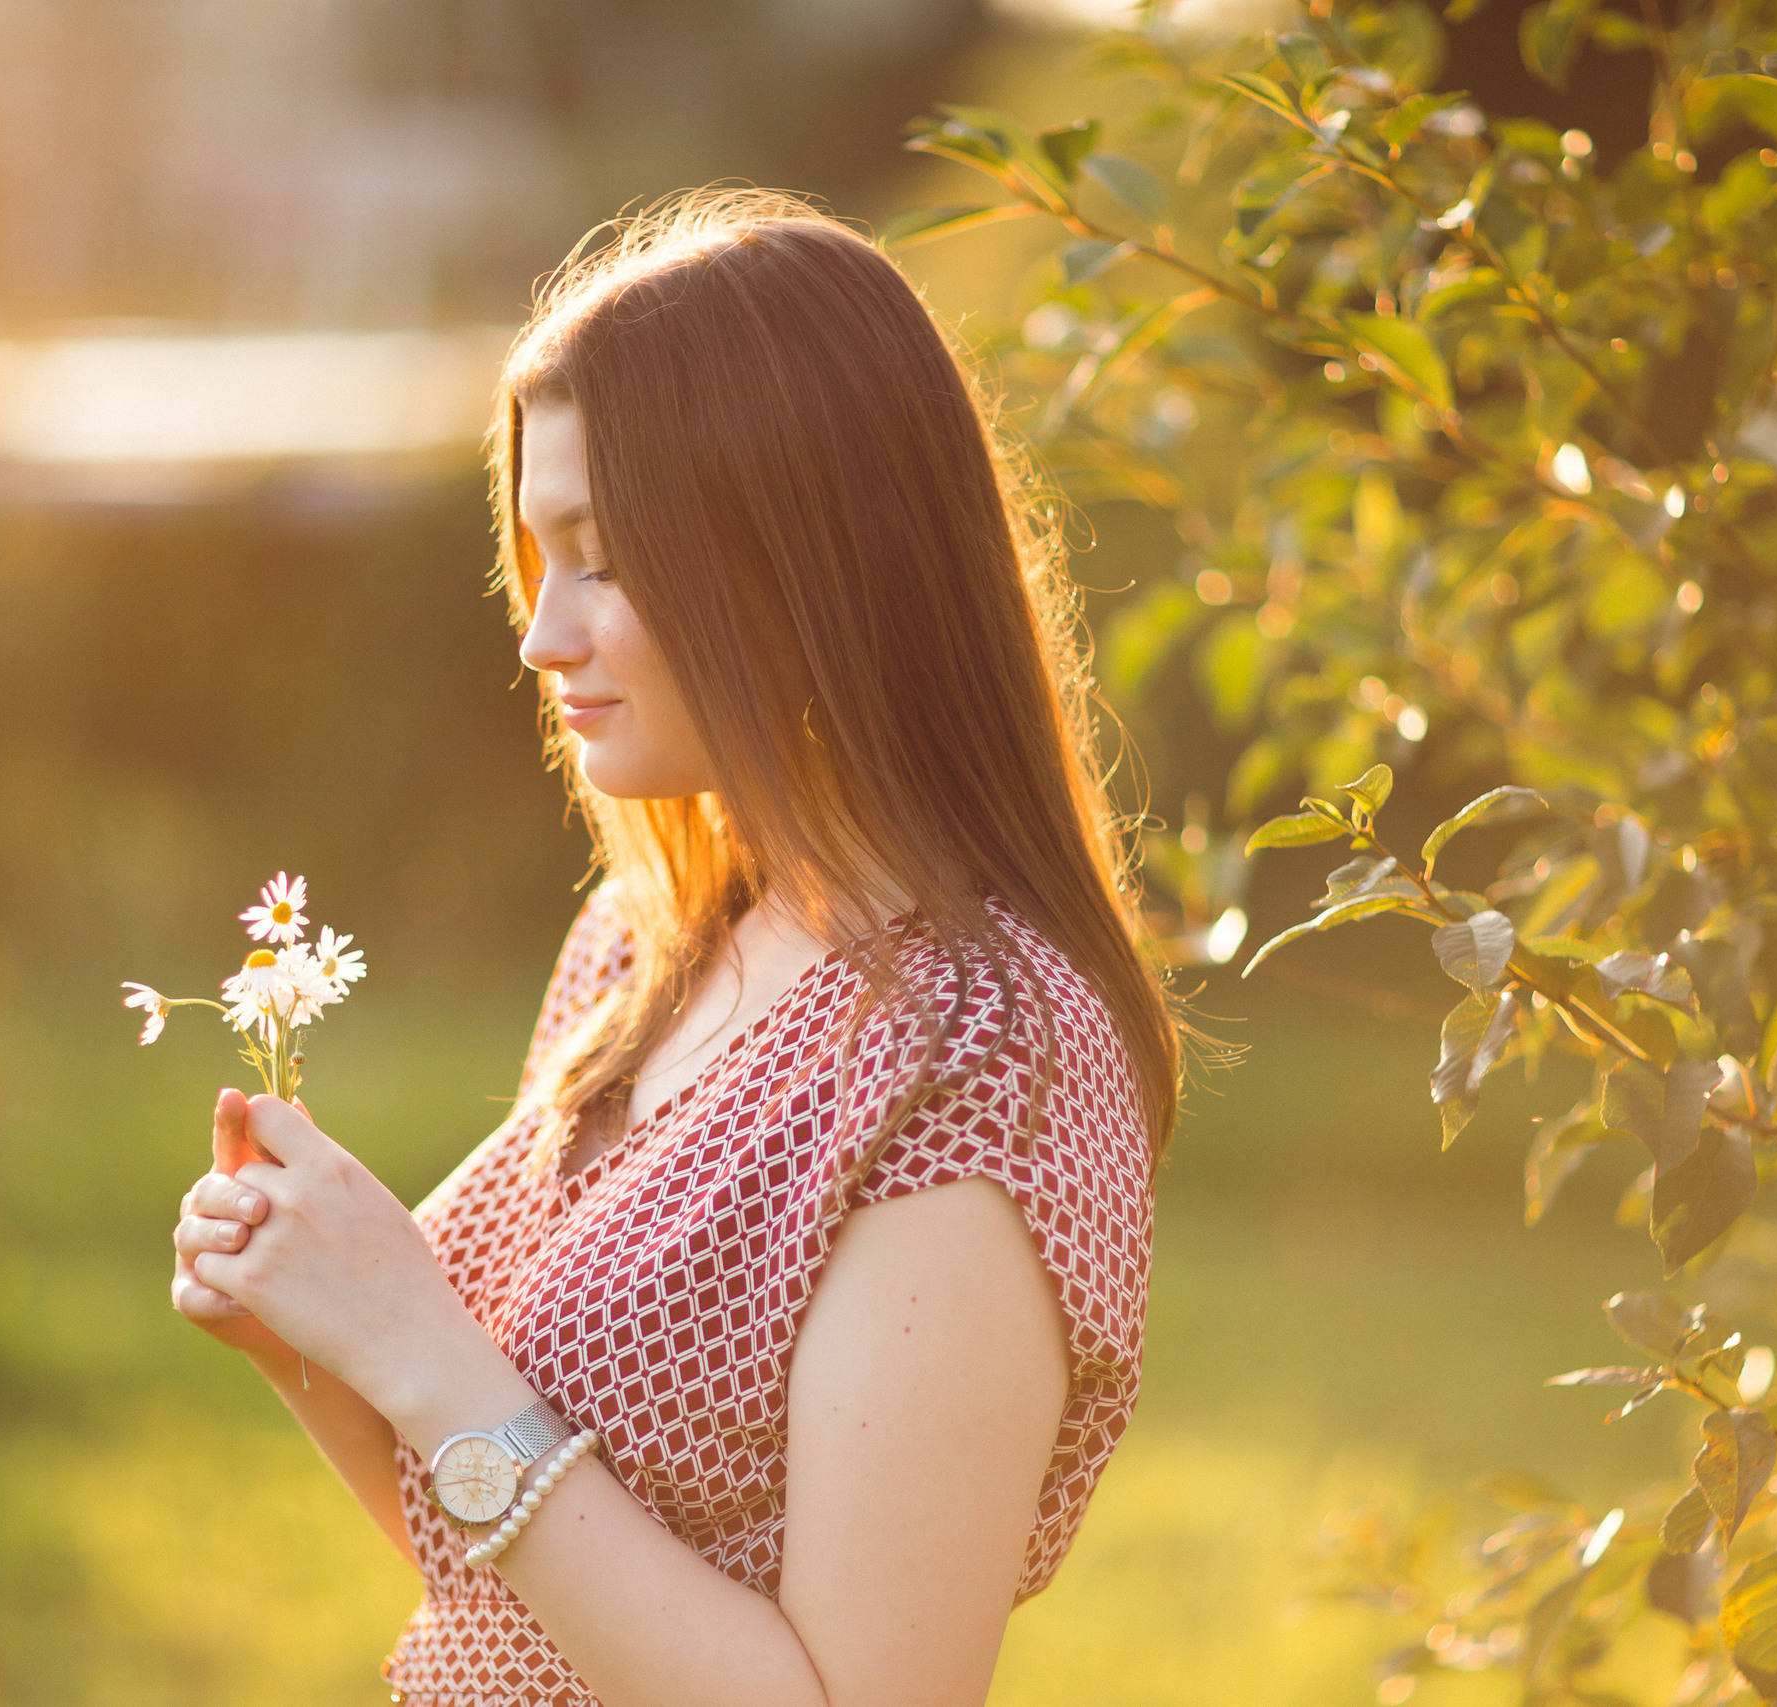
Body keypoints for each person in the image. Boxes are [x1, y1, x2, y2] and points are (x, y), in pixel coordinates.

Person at [168, 188, 1180, 1707]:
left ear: (806, 557)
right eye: (536, 553)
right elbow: (526, 1592)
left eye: (603, 557)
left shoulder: (982, 1051)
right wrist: (310, 1341)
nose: (540, 632)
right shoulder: (649, 951)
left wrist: (421, 1342)